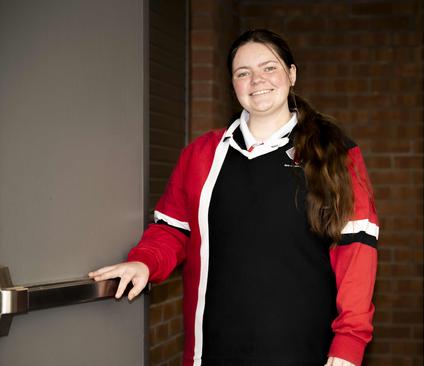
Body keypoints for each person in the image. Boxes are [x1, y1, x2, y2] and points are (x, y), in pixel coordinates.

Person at [89, 29, 378, 366]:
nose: (257, 80)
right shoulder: (202, 154)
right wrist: (144, 261)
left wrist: (349, 342)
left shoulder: (336, 153)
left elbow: (356, 252)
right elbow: (174, 231)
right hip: (213, 352)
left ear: (292, 74)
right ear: (233, 85)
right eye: (243, 73)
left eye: (269, 68)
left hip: (307, 351)